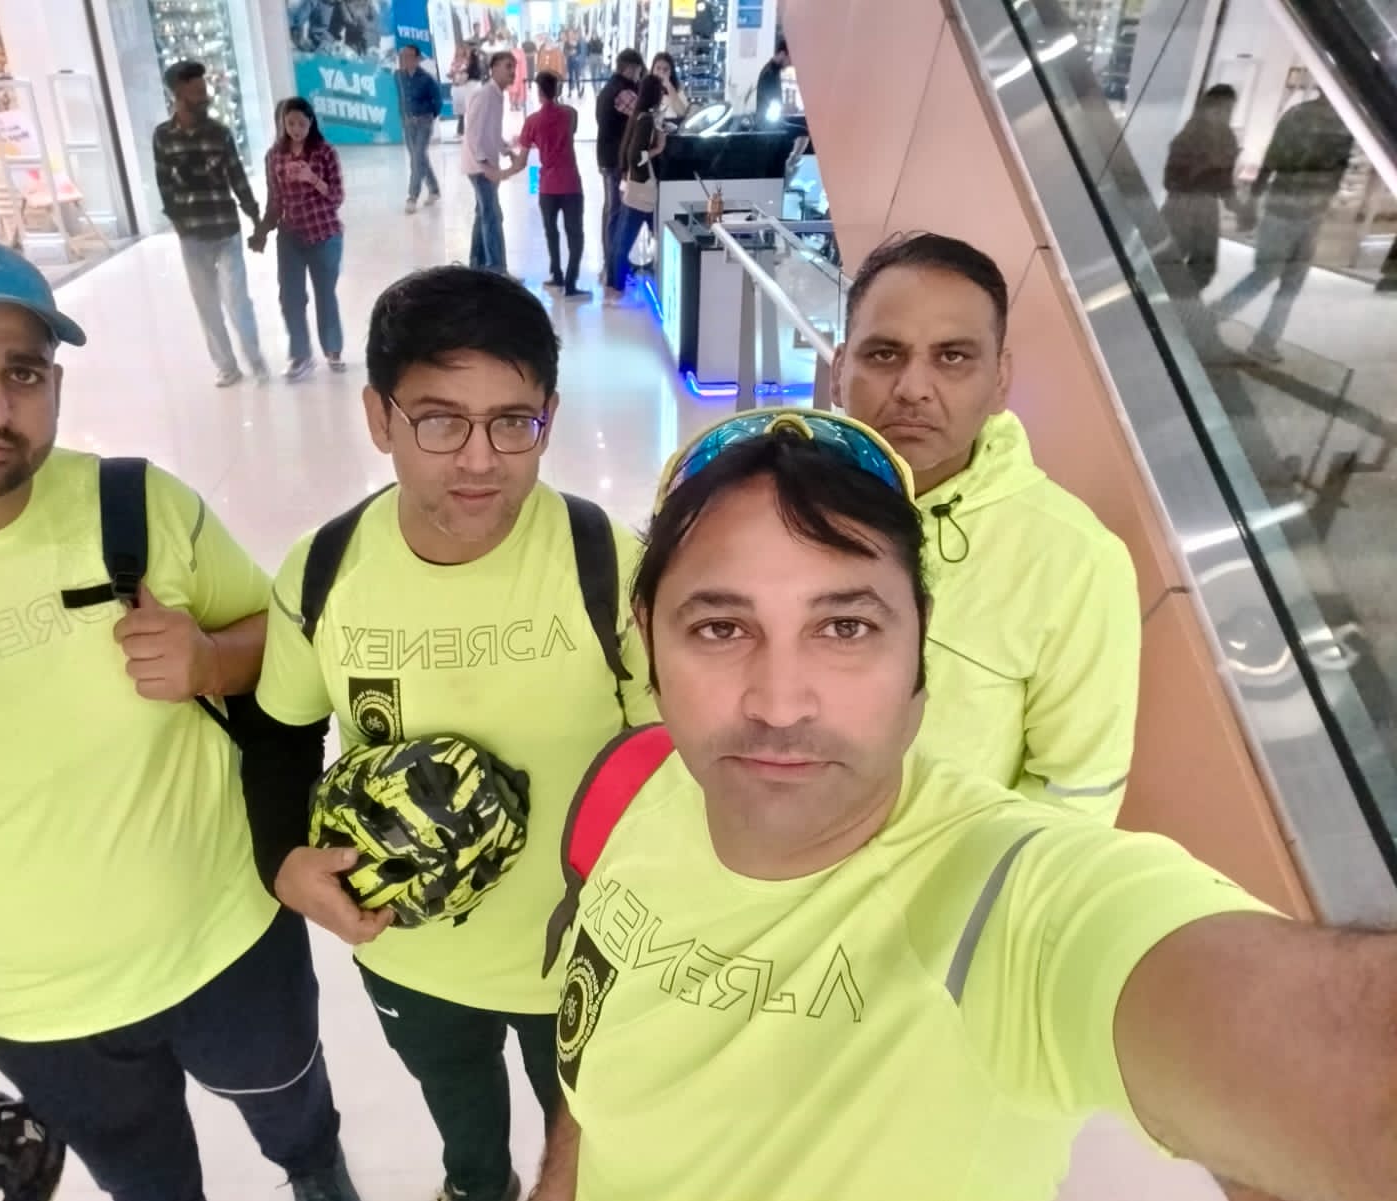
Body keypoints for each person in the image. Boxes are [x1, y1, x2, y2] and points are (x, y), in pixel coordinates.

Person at [531, 405, 1397, 1201]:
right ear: (648, 639)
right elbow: (593, 1067)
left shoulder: (1004, 900)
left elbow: (1336, 1063)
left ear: (921, 647)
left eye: (845, 627)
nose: (781, 703)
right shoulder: (648, 789)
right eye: (720, 628)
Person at [0, 231, 355, 1201]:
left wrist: (210, 657)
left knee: (296, 1114)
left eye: (23, 371)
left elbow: (288, 636)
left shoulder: (134, 506)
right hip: (37, 1008)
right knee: (145, 1179)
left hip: (234, 934)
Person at [243, 266, 656, 1201]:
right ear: (379, 417)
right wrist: (281, 859)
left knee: (590, 1149)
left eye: (513, 422)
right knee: (462, 1120)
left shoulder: (608, 562)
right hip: (409, 951)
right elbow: (280, 728)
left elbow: (668, 755)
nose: (479, 460)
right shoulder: (325, 570)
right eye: (439, 421)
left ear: (549, 415)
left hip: (588, 956)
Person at [832, 233, 1139, 821]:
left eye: (952, 357)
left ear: (1000, 379)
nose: (913, 389)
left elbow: (1075, 793)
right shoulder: (768, 509)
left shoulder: (1075, 558)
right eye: (884, 355)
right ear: (839, 370)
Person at [1209, 92, 1354, 363]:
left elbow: (1270, 161)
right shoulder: (1345, 123)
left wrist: (1253, 200)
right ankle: (1251, 336)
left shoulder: (1298, 114)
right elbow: (1336, 170)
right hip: (1306, 211)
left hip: (1285, 207)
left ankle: (1226, 323)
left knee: (1272, 275)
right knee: (1284, 281)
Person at [153, 60, 269, 388]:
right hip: (191, 235)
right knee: (206, 306)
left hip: (225, 229)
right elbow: (164, 183)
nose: (204, 97)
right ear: (178, 94)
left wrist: (255, 218)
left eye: (205, 90)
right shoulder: (163, 137)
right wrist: (176, 220)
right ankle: (226, 367)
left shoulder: (220, 134)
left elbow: (237, 176)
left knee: (237, 300)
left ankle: (255, 360)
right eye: (197, 92)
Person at [253, 97, 347, 381]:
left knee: (325, 294)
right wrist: (262, 230)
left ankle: (333, 349)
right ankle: (300, 354)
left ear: (311, 123)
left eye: (301, 124)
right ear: (282, 123)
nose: (296, 129)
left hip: (324, 234)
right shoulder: (274, 156)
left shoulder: (325, 152)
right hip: (290, 235)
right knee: (290, 296)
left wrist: (312, 178)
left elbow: (337, 197)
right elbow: (274, 200)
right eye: (290, 123)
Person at [1161, 84, 1242, 293]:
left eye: (1229, 109)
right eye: (1220, 108)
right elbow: (1170, 180)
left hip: (1206, 206)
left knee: (1203, 267)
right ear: (1207, 108)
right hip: (1182, 205)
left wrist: (1238, 206)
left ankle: (1176, 301)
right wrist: (1202, 173)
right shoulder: (1189, 137)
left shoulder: (1227, 138)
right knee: (1167, 262)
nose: (1225, 114)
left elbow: (1225, 182)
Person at [518, 71, 590, 299]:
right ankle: (571, 282)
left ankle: (556, 274)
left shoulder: (532, 121)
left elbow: (522, 158)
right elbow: (572, 130)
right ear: (558, 90)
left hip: (547, 186)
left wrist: (503, 170)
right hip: (570, 183)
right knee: (575, 233)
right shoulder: (570, 114)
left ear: (538, 92)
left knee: (551, 232)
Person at [605, 74, 667, 303]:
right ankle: (617, 287)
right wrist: (657, 149)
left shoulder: (638, 116)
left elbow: (627, 152)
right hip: (642, 188)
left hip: (632, 186)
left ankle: (613, 284)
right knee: (626, 239)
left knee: (621, 237)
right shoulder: (646, 120)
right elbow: (636, 156)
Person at [464, 52, 525, 275]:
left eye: (514, 68)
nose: (512, 72)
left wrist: (507, 151)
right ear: (494, 68)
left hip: (486, 164)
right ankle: (497, 270)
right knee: (492, 216)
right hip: (480, 168)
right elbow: (474, 134)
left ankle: (476, 265)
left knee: (483, 214)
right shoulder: (484, 95)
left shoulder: (497, 96)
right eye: (508, 67)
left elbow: (492, 132)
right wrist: (485, 166)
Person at [595, 50, 646, 287]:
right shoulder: (623, 92)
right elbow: (643, 115)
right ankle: (613, 267)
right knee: (616, 212)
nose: (639, 74)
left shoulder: (609, 88)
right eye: (638, 69)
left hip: (607, 157)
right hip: (615, 160)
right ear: (630, 68)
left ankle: (612, 264)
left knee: (611, 210)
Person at [398, 44, 443, 213]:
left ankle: (412, 196)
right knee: (419, 158)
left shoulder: (426, 79)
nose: (405, 59)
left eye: (409, 56)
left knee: (417, 159)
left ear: (417, 59)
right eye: (403, 56)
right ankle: (434, 189)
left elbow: (437, 100)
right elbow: (401, 98)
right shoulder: (399, 76)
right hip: (408, 122)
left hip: (424, 121)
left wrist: (430, 115)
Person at [755, 37, 790, 126]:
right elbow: (772, 103)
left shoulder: (773, 71)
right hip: (768, 126)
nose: (790, 64)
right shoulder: (769, 73)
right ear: (782, 54)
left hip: (769, 123)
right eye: (789, 59)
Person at [651, 52, 690, 120]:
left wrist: (669, 86)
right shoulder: (645, 88)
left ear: (671, 72)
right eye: (658, 68)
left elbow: (682, 113)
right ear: (653, 70)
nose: (661, 72)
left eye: (665, 69)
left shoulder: (677, 89)